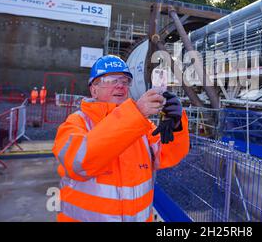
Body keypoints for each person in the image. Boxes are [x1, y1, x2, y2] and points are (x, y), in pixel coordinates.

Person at [52, 55, 189, 222]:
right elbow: (79, 163)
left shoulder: (141, 125)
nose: (120, 85)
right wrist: (135, 114)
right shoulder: (76, 123)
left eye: (124, 81)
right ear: (93, 89)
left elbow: (168, 156)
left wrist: (176, 126)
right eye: (111, 79)